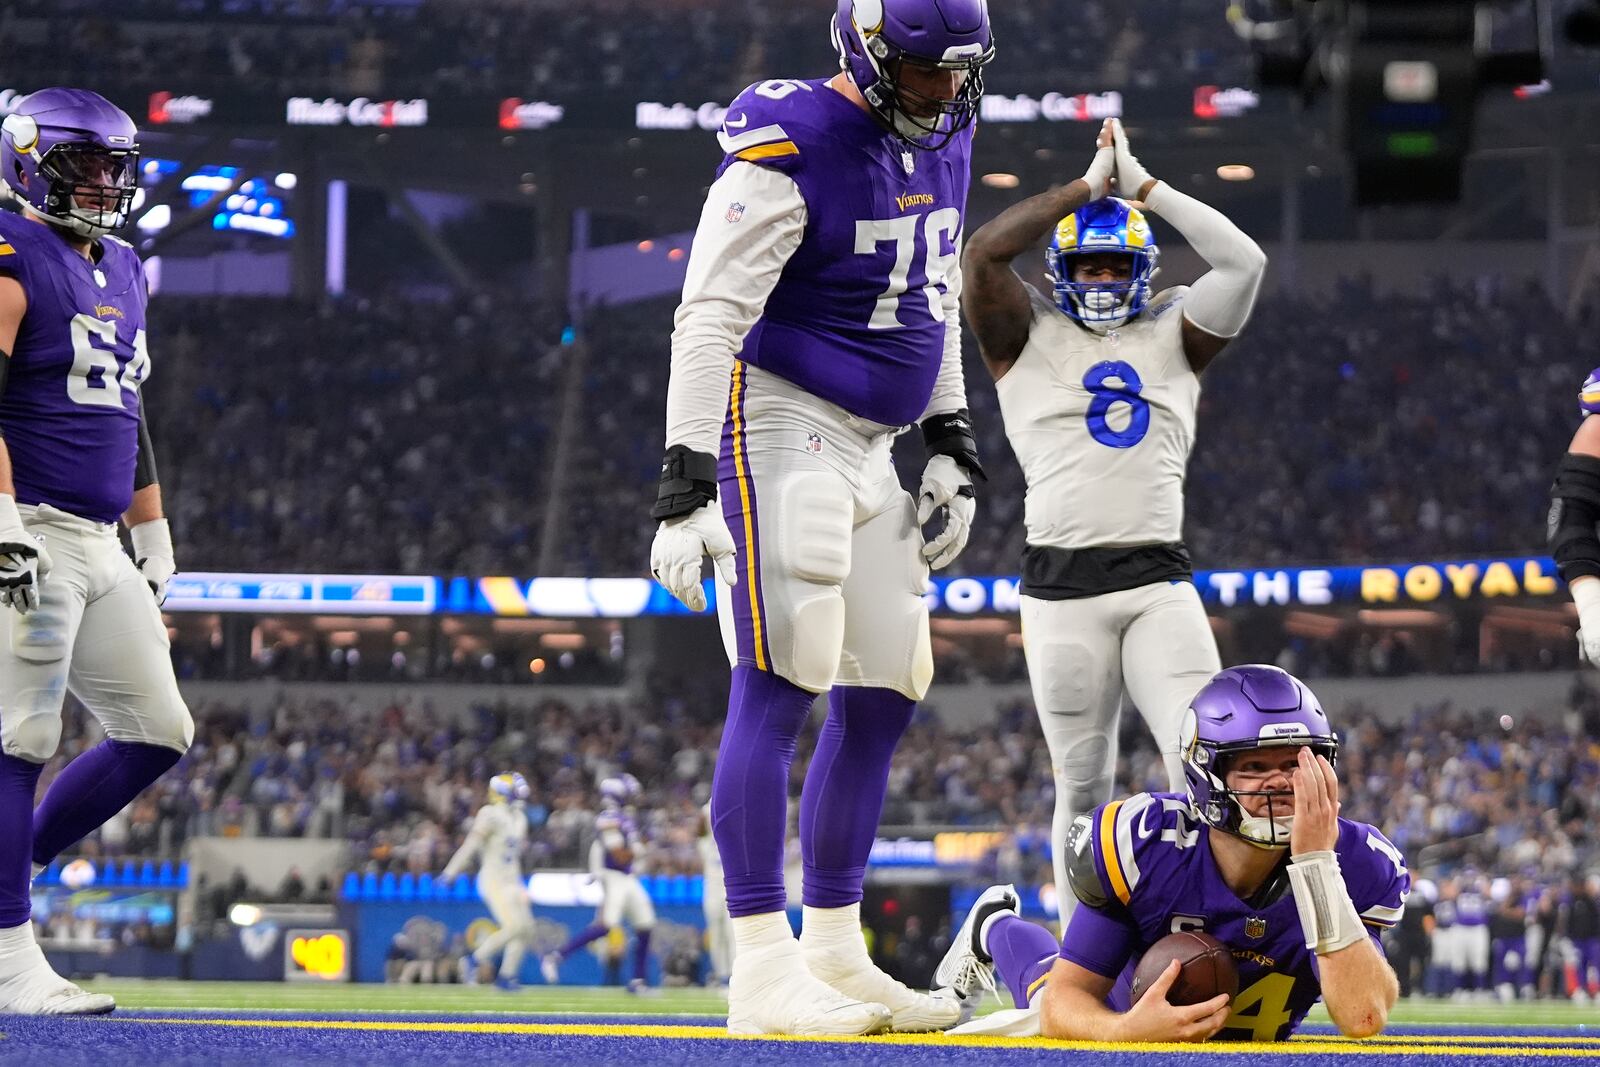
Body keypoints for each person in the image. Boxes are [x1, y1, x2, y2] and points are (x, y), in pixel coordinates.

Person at [646, 0, 993, 1037]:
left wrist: (953, 435)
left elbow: (932, 290)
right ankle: (761, 967)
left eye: (959, 71)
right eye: (929, 71)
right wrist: (683, 485)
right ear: (871, 53)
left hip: (878, 444)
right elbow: (708, 314)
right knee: (783, 674)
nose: (946, 91)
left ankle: (835, 949)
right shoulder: (785, 144)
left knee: (888, 685)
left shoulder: (949, 130)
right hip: (781, 420)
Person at [960, 118, 1265, 912]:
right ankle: (1081, 963)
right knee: (1083, 781)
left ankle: (1201, 927)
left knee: (1202, 763)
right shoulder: (1022, 333)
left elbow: (1245, 260)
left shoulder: (1177, 330)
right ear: (1060, 271)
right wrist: (1086, 189)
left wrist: (1147, 188)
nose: (1099, 278)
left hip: (1158, 578)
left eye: (1115, 264)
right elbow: (984, 252)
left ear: (1145, 270)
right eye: (1086, 263)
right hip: (1061, 589)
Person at [0, 87, 193, 1015]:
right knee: (24, 730)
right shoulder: (9, 253)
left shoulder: (122, 262)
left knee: (160, 730)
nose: (106, 183)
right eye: (87, 164)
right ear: (30, 159)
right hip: (25, 522)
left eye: (117, 165)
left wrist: (152, 527)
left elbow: (126, 400)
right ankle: (9, 960)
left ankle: (12, 865)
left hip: (100, 535)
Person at [935, 665, 1408, 1041]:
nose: (1280, 783)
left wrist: (1317, 866)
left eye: (1295, 763)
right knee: (1042, 1004)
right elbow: (1067, 1003)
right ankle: (994, 925)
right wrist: (1122, 1030)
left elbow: (1363, 1017)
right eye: (1256, 766)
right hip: (1128, 1007)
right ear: (1207, 774)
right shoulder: (1148, 845)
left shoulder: (1358, 860)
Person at [542, 774, 656, 993]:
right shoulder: (608, 818)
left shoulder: (624, 817)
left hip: (627, 877)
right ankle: (555, 957)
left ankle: (638, 980)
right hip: (614, 877)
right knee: (606, 926)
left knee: (646, 924)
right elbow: (619, 855)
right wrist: (640, 848)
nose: (633, 798)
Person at [441, 772, 534, 991]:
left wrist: (520, 885)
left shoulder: (519, 818)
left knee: (527, 929)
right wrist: (450, 872)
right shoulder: (489, 814)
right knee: (514, 927)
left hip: (511, 880)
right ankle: (473, 960)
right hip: (494, 880)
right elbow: (471, 845)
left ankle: (507, 976)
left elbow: (513, 857)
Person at [698, 802, 733, 989]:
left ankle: (734, 975)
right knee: (716, 933)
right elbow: (700, 826)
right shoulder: (706, 841)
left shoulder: (735, 835)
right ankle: (722, 975)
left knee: (732, 932)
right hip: (712, 890)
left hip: (730, 888)